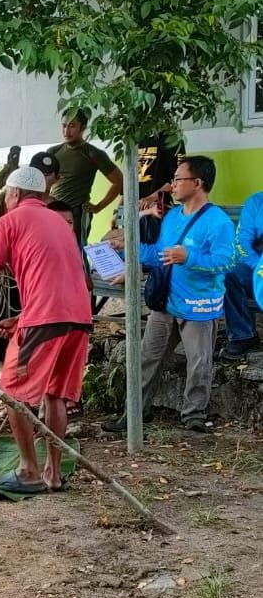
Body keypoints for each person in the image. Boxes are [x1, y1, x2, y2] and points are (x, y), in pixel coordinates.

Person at [0, 165, 93, 493]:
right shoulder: (60, 224)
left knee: (12, 391)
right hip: (79, 317)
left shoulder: (10, 221)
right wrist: (20, 319)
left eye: (6, 194)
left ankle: (29, 471)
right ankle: (53, 473)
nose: (6, 199)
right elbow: (58, 281)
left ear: (15, 193)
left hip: (46, 319)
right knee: (56, 395)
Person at [103, 156, 235, 434]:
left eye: (178, 179)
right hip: (165, 302)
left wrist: (190, 256)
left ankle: (194, 416)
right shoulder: (172, 216)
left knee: (199, 363)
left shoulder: (218, 221)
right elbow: (157, 255)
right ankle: (136, 413)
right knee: (147, 358)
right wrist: (127, 248)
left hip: (198, 305)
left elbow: (227, 262)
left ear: (197, 183)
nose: (172, 184)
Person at [0, 152, 61, 364]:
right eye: (37, 171)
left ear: (56, 178)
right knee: (1, 318)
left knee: (26, 316)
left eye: (47, 174)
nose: (42, 176)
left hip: (32, 276)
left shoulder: (56, 207)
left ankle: (20, 364)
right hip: (5, 272)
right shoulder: (4, 197)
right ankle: (0, 360)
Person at [47, 109, 123, 251]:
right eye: (64, 126)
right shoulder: (53, 152)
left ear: (83, 128)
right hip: (52, 211)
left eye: (71, 126)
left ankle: (82, 274)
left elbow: (118, 181)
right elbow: (44, 181)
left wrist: (98, 207)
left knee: (76, 251)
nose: (66, 131)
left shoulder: (93, 154)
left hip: (77, 213)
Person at [221, 190, 263, 359]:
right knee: (229, 274)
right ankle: (243, 335)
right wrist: (259, 268)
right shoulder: (256, 202)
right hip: (256, 267)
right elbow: (242, 244)